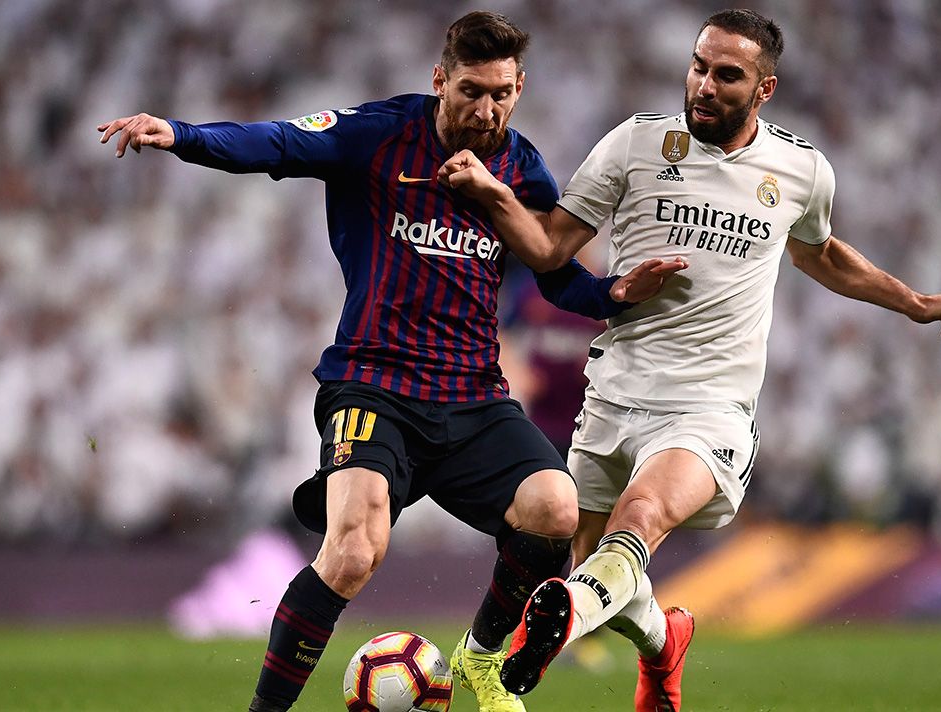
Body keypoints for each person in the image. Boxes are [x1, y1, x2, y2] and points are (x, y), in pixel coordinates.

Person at [98, 11, 681, 712]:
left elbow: (553, 275)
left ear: (519, 88)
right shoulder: (378, 135)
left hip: (472, 395)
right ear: (440, 80)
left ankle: (480, 659)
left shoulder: (521, 169)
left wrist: (613, 293)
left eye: (500, 94)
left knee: (556, 508)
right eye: (470, 90)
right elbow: (278, 141)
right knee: (352, 551)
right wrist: (182, 135)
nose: (485, 109)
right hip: (373, 385)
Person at [438, 9, 941, 711]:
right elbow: (549, 248)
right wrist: (493, 194)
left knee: (642, 514)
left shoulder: (801, 169)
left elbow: (821, 254)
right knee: (597, 565)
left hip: (710, 406)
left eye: (727, 75)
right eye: (699, 67)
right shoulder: (634, 144)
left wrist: (915, 302)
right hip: (614, 391)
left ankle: (557, 626)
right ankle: (663, 642)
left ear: (764, 89)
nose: (705, 85)